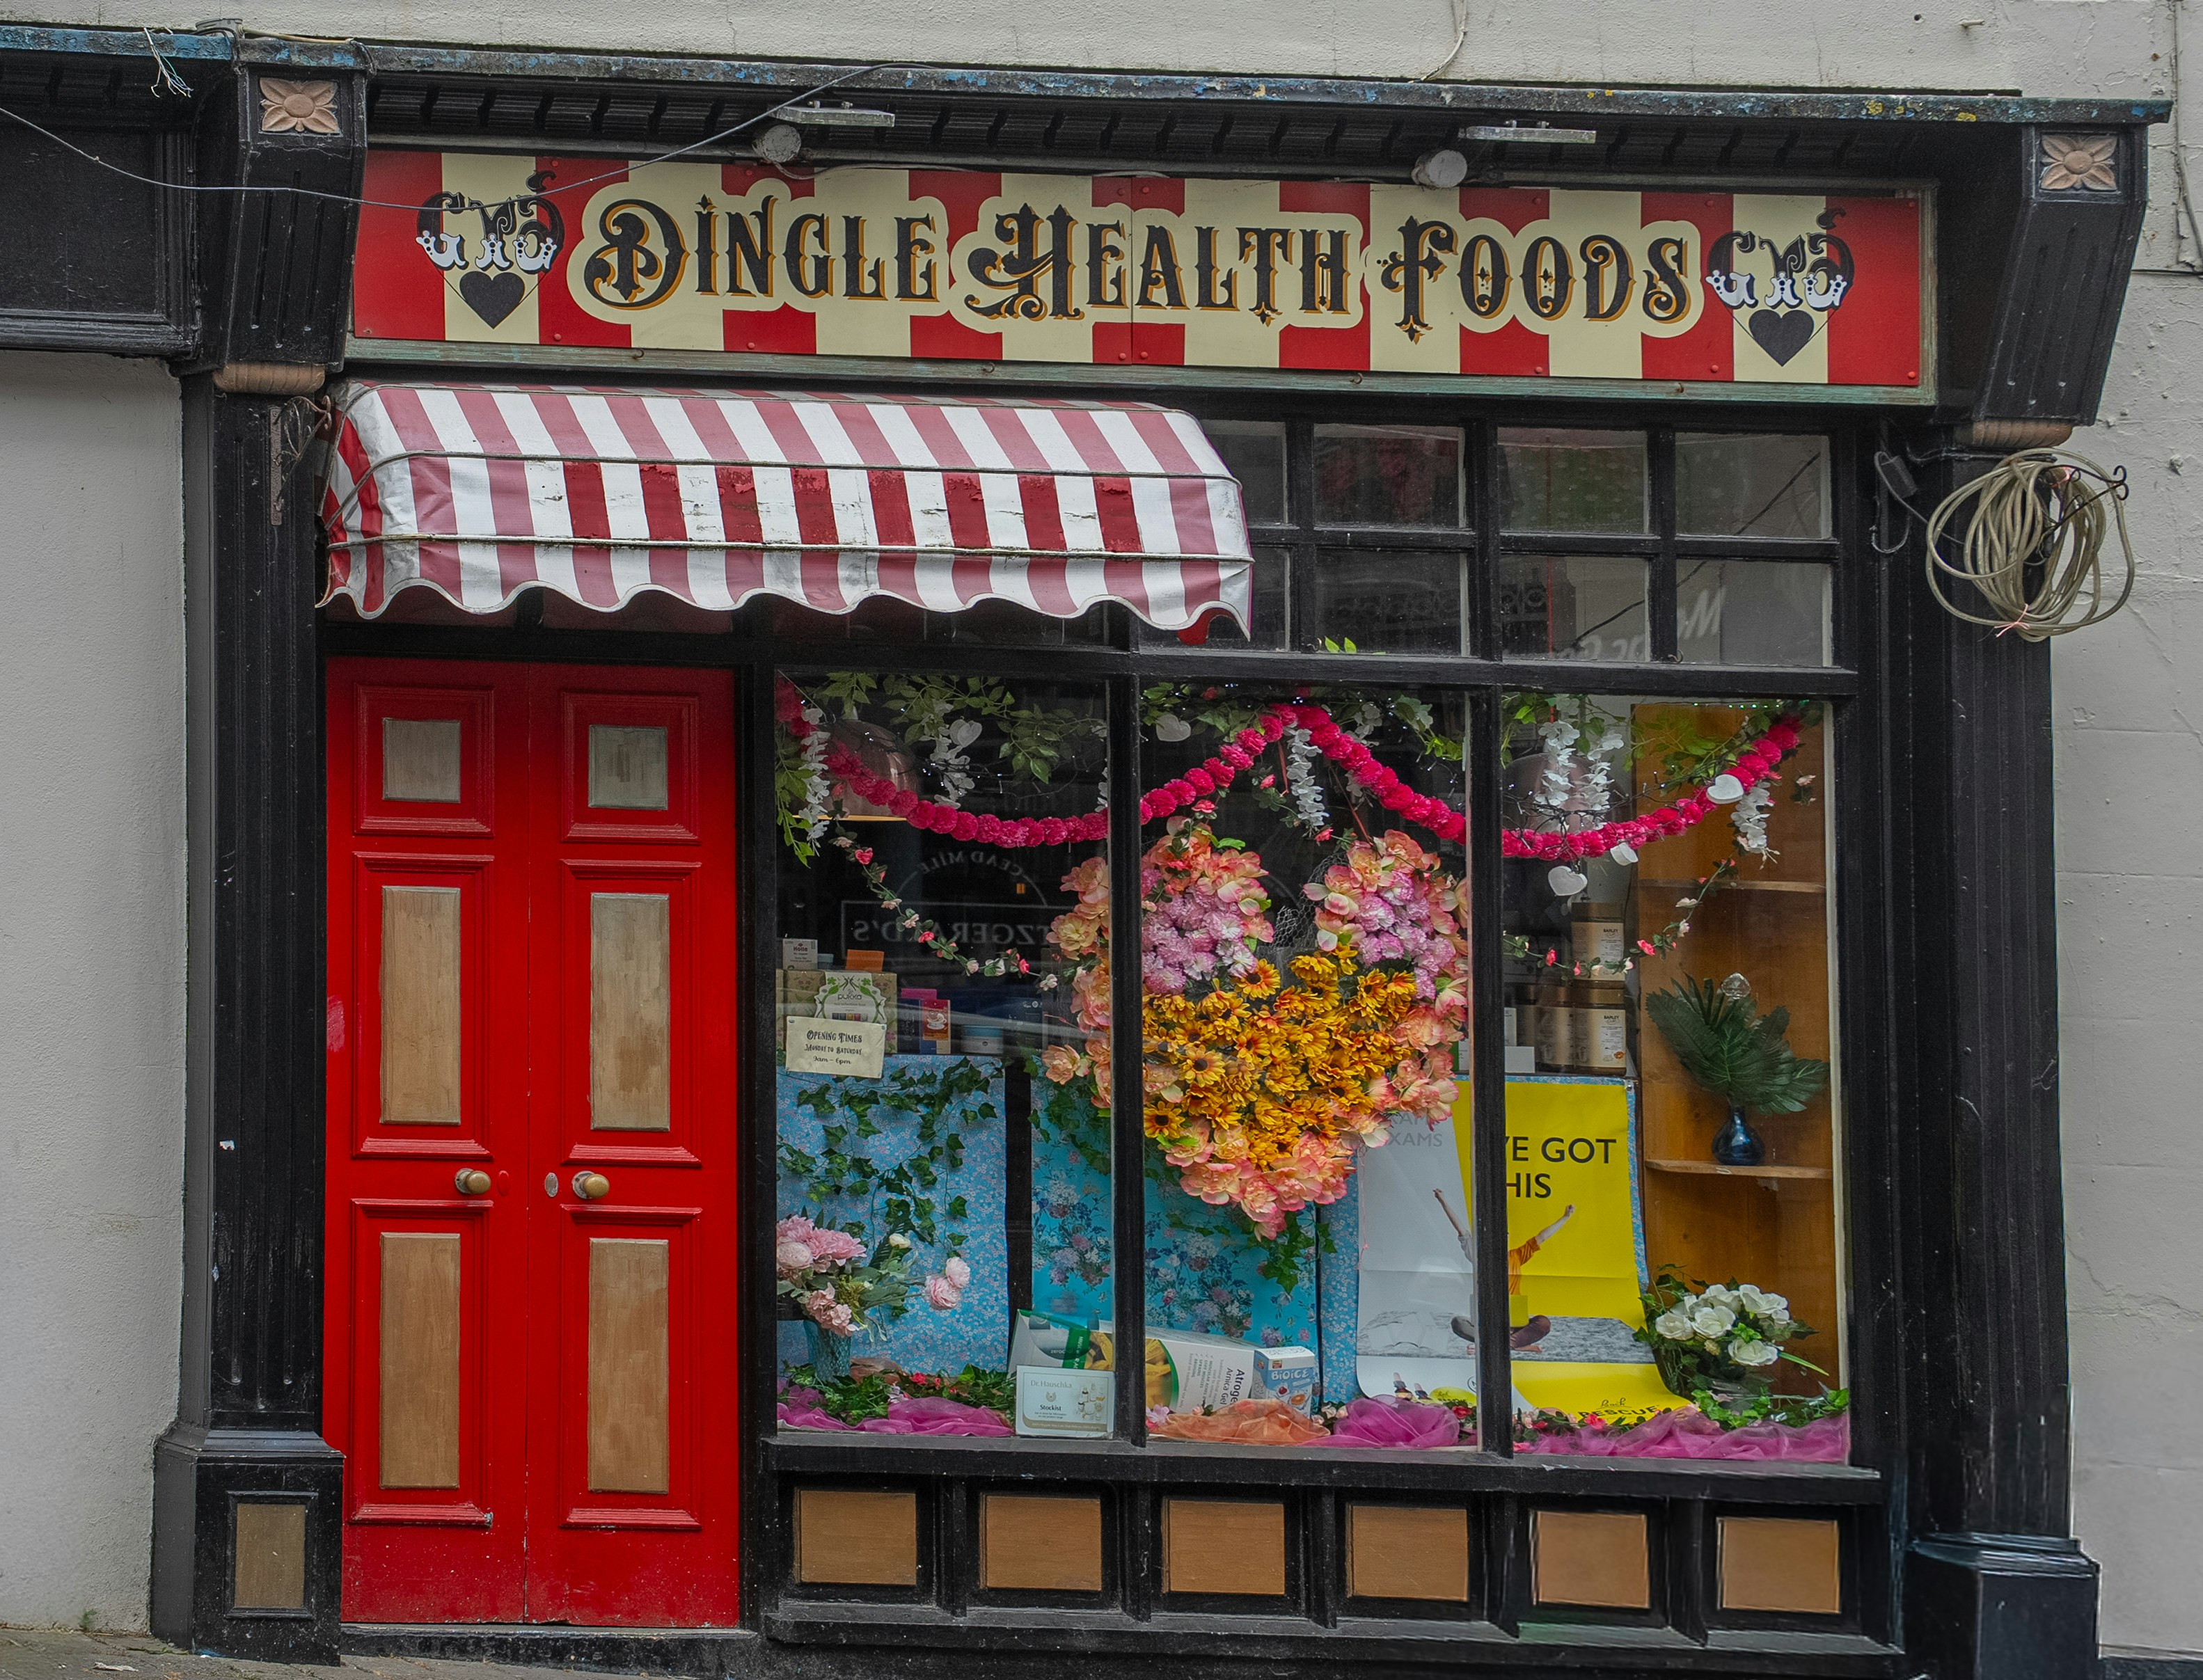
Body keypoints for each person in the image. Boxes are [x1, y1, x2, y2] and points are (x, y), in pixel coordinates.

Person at [1435, 1191, 1576, 1354]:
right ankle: (1514, 1345)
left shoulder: (1516, 1256)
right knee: (1458, 1322)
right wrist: (1442, 1201)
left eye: (1505, 1236)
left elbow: (1542, 1237)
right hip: (1489, 1323)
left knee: (1543, 1323)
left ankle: (1490, 1345)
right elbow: (1461, 1230)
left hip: (1514, 1324)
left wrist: (1565, 1217)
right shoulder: (1480, 1257)